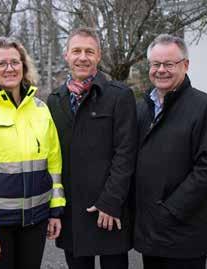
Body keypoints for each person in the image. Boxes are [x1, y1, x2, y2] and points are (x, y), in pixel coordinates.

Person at [0, 36, 66, 269]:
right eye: (1, 63)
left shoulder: (40, 109)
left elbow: (54, 164)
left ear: (24, 66)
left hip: (35, 222)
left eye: (15, 62)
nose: (10, 68)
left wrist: (55, 209)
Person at [47, 27, 137, 269]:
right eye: (76, 51)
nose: (82, 57)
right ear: (66, 55)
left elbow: (126, 153)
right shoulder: (55, 100)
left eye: (89, 51)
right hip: (72, 213)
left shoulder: (119, 96)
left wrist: (111, 201)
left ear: (98, 56)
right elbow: (52, 157)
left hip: (109, 210)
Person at [134, 34, 207, 269]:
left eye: (169, 64)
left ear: (185, 65)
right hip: (151, 235)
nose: (161, 70)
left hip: (185, 234)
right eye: (156, 64)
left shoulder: (205, 107)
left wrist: (170, 211)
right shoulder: (142, 109)